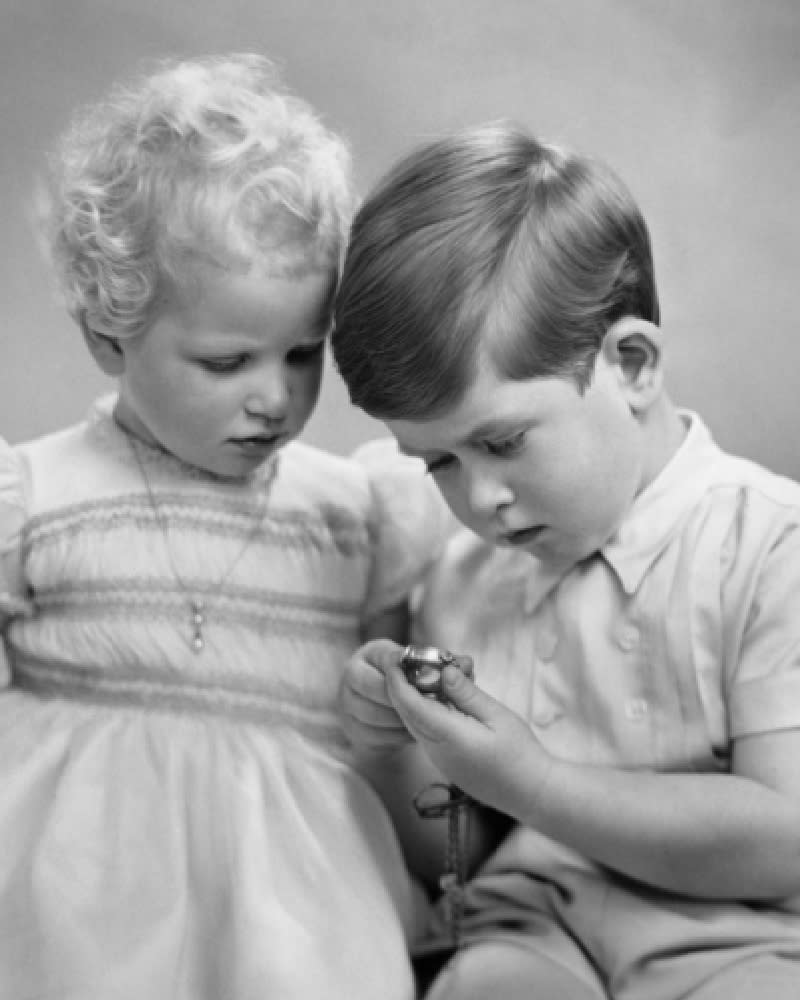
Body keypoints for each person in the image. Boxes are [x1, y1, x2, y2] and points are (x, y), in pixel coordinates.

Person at [0, 53, 449, 1000]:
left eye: (302, 353)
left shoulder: (355, 518)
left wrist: (434, 860)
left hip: (289, 913)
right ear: (108, 333)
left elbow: (389, 737)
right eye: (227, 360)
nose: (275, 397)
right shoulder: (33, 498)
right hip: (76, 898)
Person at [331, 120, 800, 999]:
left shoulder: (769, 545)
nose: (479, 501)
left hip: (740, 935)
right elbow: (455, 859)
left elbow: (787, 842)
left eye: (502, 441)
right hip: (532, 928)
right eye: (437, 462)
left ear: (630, 365)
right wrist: (390, 750)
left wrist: (537, 781)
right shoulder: (465, 575)